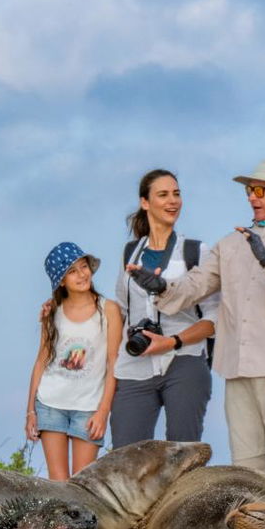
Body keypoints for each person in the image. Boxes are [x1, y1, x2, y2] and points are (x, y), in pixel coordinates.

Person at [130, 160, 265, 501]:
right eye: (248, 190)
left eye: (259, 190)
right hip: (237, 364)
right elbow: (195, 286)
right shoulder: (231, 243)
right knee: (248, 464)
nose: (252, 198)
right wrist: (160, 287)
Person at [111, 169, 219, 447]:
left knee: (183, 453)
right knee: (125, 456)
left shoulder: (196, 251)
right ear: (145, 202)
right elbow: (122, 310)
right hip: (134, 364)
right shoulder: (129, 252)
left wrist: (172, 341)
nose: (173, 201)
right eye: (163, 194)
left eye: (177, 193)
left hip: (184, 358)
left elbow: (214, 319)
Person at [26, 242, 122, 480]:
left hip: (89, 408)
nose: (82, 274)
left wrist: (103, 412)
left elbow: (114, 363)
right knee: (57, 483)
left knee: (82, 484)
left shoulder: (108, 310)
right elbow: (41, 362)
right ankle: (57, 521)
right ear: (61, 280)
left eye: (84, 267)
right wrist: (30, 411)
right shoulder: (52, 312)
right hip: (50, 404)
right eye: (72, 271)